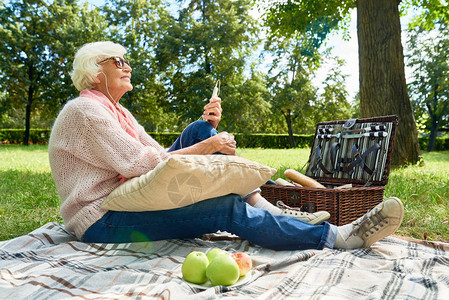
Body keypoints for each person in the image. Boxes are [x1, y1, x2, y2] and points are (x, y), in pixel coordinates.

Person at [48, 41, 404, 251]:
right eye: (117, 61)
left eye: (126, 60)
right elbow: (141, 164)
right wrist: (208, 148)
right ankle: (337, 237)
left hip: (128, 196)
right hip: (101, 219)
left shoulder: (116, 111)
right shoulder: (86, 111)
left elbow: (157, 153)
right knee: (226, 209)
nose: (127, 66)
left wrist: (207, 134)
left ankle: (270, 208)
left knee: (198, 128)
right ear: (95, 72)